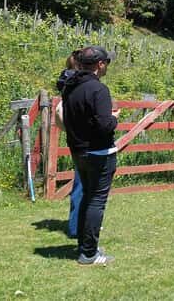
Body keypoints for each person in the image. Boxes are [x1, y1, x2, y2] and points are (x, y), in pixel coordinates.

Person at [61, 45, 119, 265]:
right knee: (96, 201)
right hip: (98, 152)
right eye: (107, 63)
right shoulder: (98, 89)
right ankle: (89, 254)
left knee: (87, 197)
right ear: (100, 64)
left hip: (78, 151)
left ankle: (85, 246)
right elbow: (104, 125)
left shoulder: (70, 86)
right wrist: (114, 118)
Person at [54, 51, 84, 239]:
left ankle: (79, 224)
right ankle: (76, 227)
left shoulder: (66, 81)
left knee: (81, 183)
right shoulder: (77, 81)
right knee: (83, 185)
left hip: (74, 137)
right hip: (84, 139)